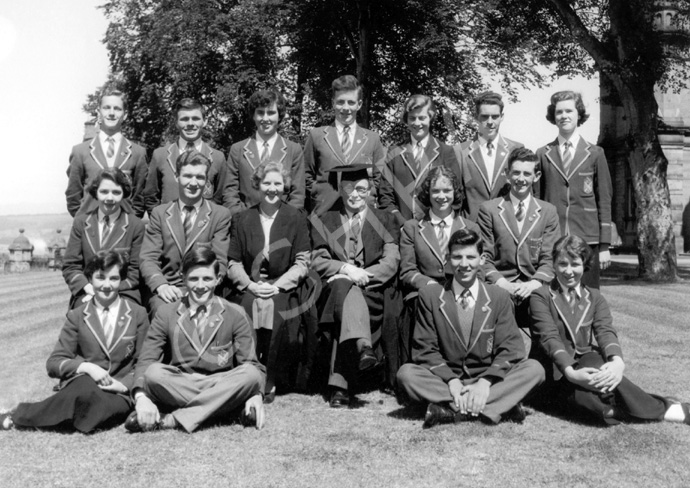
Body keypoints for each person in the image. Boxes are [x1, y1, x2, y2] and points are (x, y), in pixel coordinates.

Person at [530, 235, 690, 425]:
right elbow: (549, 338)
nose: (569, 271)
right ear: (554, 265)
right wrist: (571, 372)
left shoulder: (595, 297)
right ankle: (662, 409)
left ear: (585, 265)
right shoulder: (540, 296)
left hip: (586, 359)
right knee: (591, 403)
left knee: (604, 372)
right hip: (554, 369)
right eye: (562, 264)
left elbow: (605, 331)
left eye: (575, 264)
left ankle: (654, 410)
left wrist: (617, 362)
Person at [397, 229, 545, 428]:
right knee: (406, 374)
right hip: (447, 380)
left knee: (534, 369)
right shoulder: (431, 295)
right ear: (448, 259)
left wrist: (485, 383)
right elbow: (425, 350)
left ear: (482, 259)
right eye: (457, 257)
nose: (464, 264)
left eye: (470, 257)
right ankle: (499, 406)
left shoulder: (498, 296)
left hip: (489, 380)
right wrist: (452, 381)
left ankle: (449, 411)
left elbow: (511, 349)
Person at [0, 251, 149, 433]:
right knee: (84, 391)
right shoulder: (77, 315)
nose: (107, 285)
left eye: (114, 278)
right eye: (100, 278)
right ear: (90, 279)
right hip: (83, 384)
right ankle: (18, 417)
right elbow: (54, 363)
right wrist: (87, 367)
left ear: (122, 280)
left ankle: (20, 416)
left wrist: (124, 384)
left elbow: (145, 360)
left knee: (96, 407)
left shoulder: (138, 313)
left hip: (118, 391)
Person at [125, 248, 266, 433]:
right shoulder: (166, 313)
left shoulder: (235, 313)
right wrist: (142, 398)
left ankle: (172, 420)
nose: (200, 286)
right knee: (154, 373)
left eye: (207, 279)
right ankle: (224, 409)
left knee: (251, 374)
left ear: (218, 279)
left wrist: (256, 396)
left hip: (219, 381)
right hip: (181, 383)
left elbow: (250, 364)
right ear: (183, 278)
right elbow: (147, 360)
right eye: (193, 279)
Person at [310, 164, 401, 407]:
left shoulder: (385, 219)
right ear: (340, 189)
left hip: (371, 290)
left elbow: (391, 262)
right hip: (332, 291)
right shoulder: (324, 219)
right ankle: (364, 347)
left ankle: (340, 388)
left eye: (361, 189)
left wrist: (360, 275)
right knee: (341, 288)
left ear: (370, 190)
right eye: (349, 188)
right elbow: (318, 260)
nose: (354, 194)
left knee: (345, 291)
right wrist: (345, 269)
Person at [226, 160, 314, 399]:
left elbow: (302, 261)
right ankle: (248, 373)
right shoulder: (242, 218)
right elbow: (232, 262)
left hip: (283, 286)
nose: (272, 188)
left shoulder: (295, 217)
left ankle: (270, 375)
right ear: (258, 185)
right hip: (250, 284)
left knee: (277, 312)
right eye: (267, 183)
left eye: (277, 183)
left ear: (285, 186)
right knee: (244, 309)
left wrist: (276, 287)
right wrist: (251, 285)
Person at [477, 148, 560, 332]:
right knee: (497, 309)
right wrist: (504, 284)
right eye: (516, 172)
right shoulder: (489, 210)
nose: (520, 179)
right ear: (507, 174)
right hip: (500, 284)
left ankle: (540, 360)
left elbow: (550, 258)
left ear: (536, 176)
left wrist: (533, 284)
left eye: (527, 173)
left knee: (545, 313)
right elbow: (485, 257)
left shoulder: (548, 212)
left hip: (535, 284)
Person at [140, 150, 231, 316]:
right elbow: (148, 258)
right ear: (177, 177)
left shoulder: (219, 215)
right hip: (168, 291)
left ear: (207, 181)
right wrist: (161, 286)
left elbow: (220, 262)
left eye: (200, 177)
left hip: (204, 290)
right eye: (188, 176)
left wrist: (199, 288)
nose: (194, 183)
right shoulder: (160, 214)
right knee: (164, 312)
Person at [536, 90, 613, 289]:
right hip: (553, 238)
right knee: (553, 295)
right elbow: (537, 199)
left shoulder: (595, 153)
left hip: (587, 238)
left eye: (569, 111)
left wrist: (604, 245)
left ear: (579, 114)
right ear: (553, 116)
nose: (564, 116)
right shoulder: (543, 154)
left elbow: (604, 199)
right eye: (559, 112)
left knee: (588, 295)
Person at [63, 168, 145, 308]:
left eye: (116, 192)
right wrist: (89, 288)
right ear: (96, 192)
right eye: (104, 192)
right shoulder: (81, 223)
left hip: (124, 292)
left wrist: (110, 290)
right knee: (84, 319)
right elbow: (71, 266)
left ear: (124, 193)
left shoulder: (135, 225)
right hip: (88, 291)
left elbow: (136, 271)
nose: (109, 198)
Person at [304, 75, 385, 215]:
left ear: (359, 104)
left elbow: (379, 179)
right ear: (333, 103)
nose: (346, 108)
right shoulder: (316, 136)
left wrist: (366, 196)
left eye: (351, 102)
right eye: (341, 102)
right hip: (326, 212)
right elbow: (305, 175)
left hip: (361, 213)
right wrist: (320, 192)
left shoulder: (373, 139)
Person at [65, 85, 148, 218]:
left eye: (117, 109)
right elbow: (73, 196)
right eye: (107, 108)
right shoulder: (80, 152)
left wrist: (129, 225)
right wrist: (85, 222)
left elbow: (139, 199)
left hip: (124, 232)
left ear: (125, 115)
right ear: (99, 112)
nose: (111, 113)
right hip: (90, 231)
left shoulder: (138, 153)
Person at [378, 94, 459, 228]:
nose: (417, 123)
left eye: (422, 118)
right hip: (401, 231)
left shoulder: (446, 152)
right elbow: (385, 196)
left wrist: (436, 225)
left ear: (430, 118)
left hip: (436, 230)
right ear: (406, 120)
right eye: (412, 118)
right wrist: (403, 225)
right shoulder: (394, 153)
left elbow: (456, 194)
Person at [225, 89, 305, 216]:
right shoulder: (238, 149)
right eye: (260, 113)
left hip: (282, 225)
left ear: (280, 115)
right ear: (253, 115)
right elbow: (230, 191)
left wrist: (285, 219)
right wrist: (241, 217)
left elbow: (298, 194)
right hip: (246, 223)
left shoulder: (293, 150)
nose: (265, 118)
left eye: (271, 113)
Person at [144, 98, 228, 216]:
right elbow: (150, 197)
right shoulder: (160, 156)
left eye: (195, 118)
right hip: (168, 229)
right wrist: (161, 223)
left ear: (204, 121)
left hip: (204, 229)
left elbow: (220, 198)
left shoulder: (218, 158)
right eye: (184, 119)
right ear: (176, 122)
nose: (190, 124)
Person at [454, 91, 524, 223]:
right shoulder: (460, 152)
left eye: (495, 116)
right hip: (471, 230)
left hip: (506, 227)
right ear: (476, 117)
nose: (490, 122)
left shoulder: (516, 149)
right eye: (485, 117)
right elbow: (454, 196)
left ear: (502, 117)